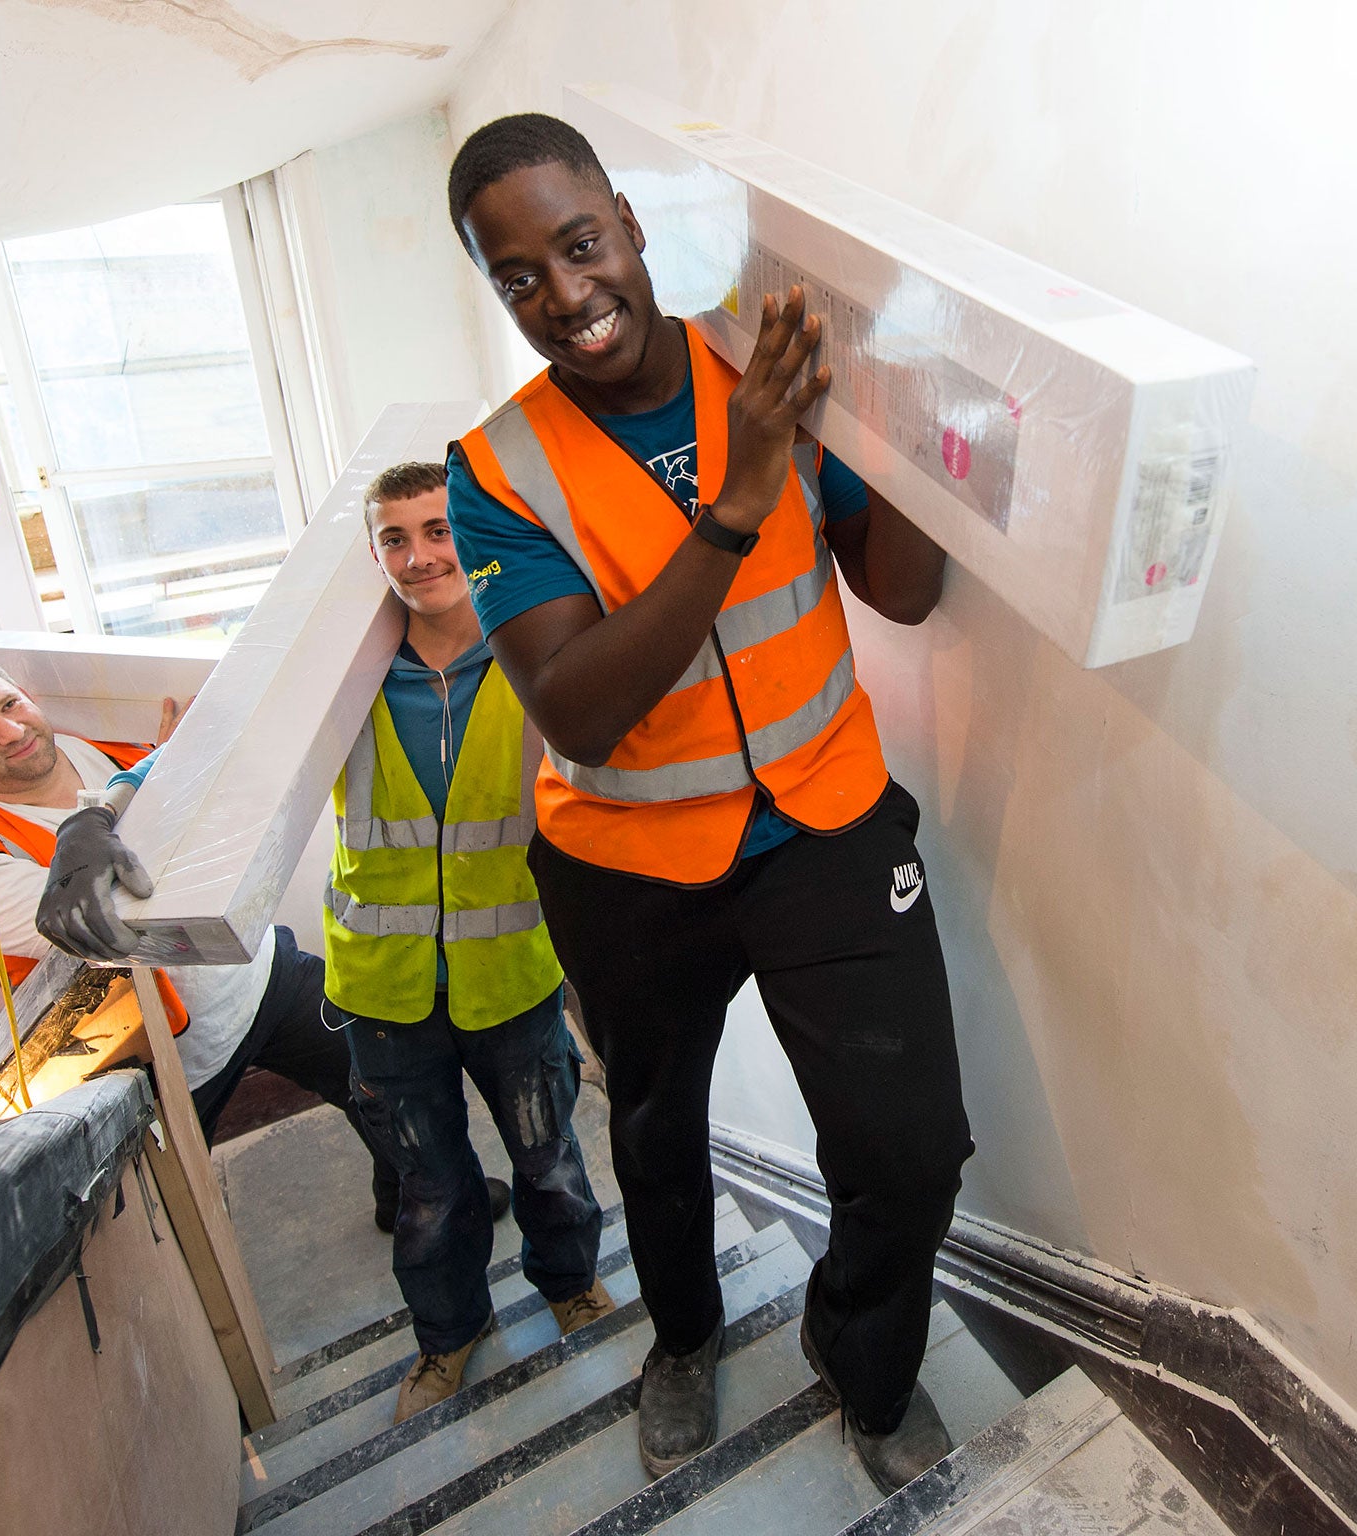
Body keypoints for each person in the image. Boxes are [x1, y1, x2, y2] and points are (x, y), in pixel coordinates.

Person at [442, 113, 974, 1491]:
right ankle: (684, 1335)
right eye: (517, 277)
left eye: (578, 243)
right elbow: (578, 708)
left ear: (626, 219)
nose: (565, 295)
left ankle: (865, 1363)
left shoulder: (775, 365)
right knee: (656, 1133)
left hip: (825, 820)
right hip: (625, 864)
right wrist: (737, 498)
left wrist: (910, 424)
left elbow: (903, 591)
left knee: (907, 1152)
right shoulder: (497, 471)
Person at [37, 465, 614, 1422]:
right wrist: (94, 817)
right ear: (373, 553)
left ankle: (568, 1285)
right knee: (429, 1184)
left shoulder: (534, 654)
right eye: (395, 538)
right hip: (382, 990)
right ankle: (448, 1336)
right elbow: (196, 758)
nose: (420, 555)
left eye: (438, 529)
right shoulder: (341, 678)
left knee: (548, 1157)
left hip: (512, 973)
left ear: (473, 533)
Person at [0, 656, 474, 1233]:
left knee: (388, 1090)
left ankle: (412, 1204)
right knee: (172, 1221)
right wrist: (173, 776)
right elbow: (140, 920)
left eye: (9, 705)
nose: (12, 731)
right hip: (157, 1054)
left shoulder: (104, 743)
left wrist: (176, 772)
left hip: (258, 971)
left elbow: (227, 835)